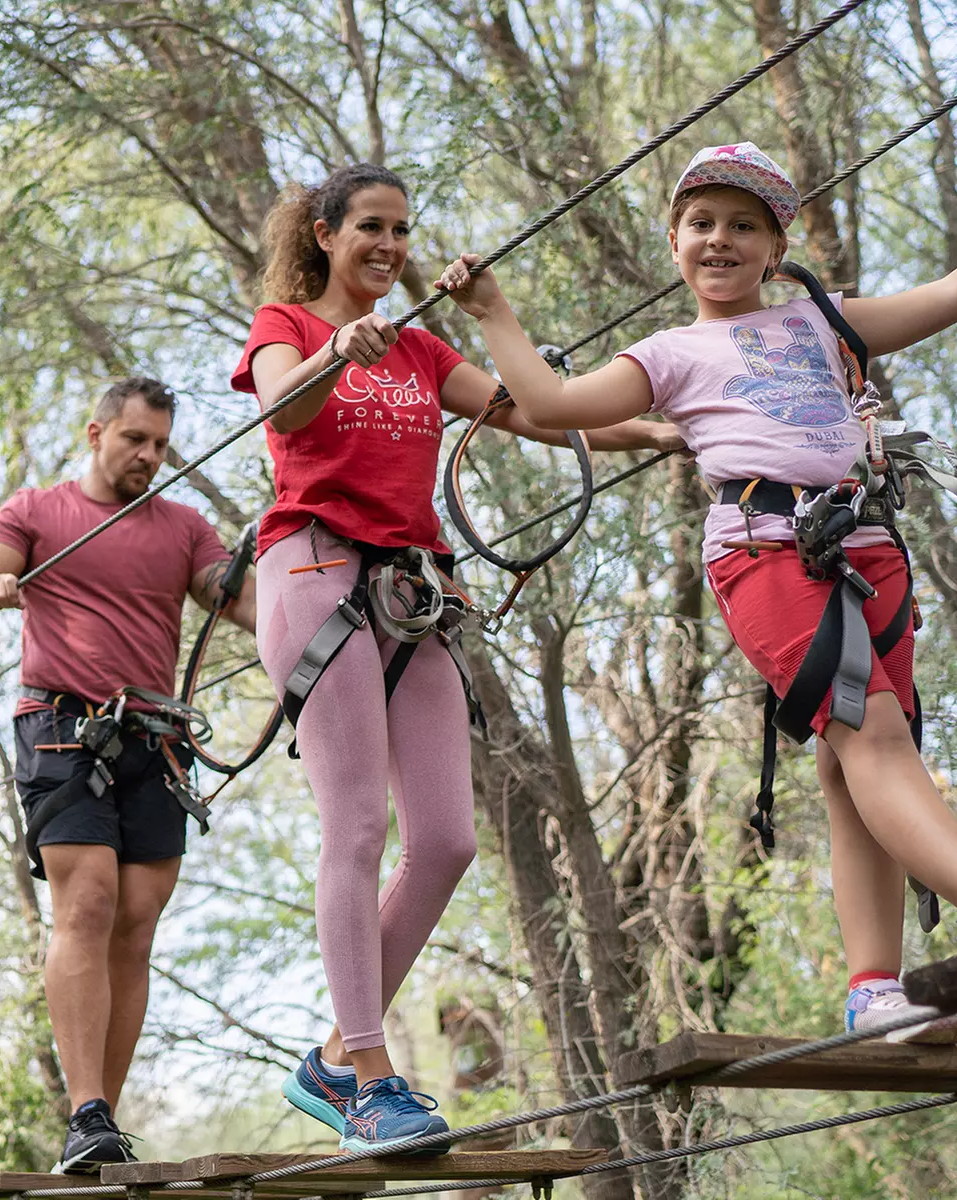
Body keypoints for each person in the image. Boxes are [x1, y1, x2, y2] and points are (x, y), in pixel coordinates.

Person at [499, 142, 957, 1045]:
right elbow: (552, 401)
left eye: (743, 226)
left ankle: (873, 989)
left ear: (776, 245)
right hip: (765, 550)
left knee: (855, 772)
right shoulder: (671, 353)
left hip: (866, 548)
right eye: (701, 224)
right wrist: (490, 310)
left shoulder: (825, 323)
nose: (719, 240)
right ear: (674, 240)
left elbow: (955, 290)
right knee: (872, 735)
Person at [232, 163, 682, 1152]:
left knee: (444, 840)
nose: (388, 247)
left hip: (411, 593)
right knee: (356, 824)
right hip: (313, 571)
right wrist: (336, 353)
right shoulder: (288, 327)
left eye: (400, 229)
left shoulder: (424, 349)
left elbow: (532, 413)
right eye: (367, 228)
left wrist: (653, 429)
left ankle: (327, 1061)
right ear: (321, 234)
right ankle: (368, 1071)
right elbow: (279, 413)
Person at [0, 377, 255, 1172]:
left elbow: (237, 599)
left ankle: (99, 1137)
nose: (149, 456)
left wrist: (291, 557)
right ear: (96, 434)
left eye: (160, 445)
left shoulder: (182, 528)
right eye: (135, 439)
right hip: (62, 730)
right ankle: (88, 1113)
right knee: (90, 902)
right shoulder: (40, 513)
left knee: (137, 919)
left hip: (154, 736)